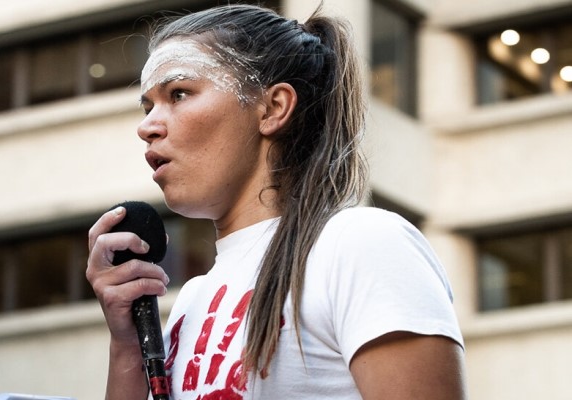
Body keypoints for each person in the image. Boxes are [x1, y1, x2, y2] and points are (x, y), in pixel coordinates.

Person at [87, 3, 466, 399]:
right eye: (148, 107)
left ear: (273, 108)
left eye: (178, 94)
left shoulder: (361, 244)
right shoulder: (191, 301)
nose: (146, 127)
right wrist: (127, 346)